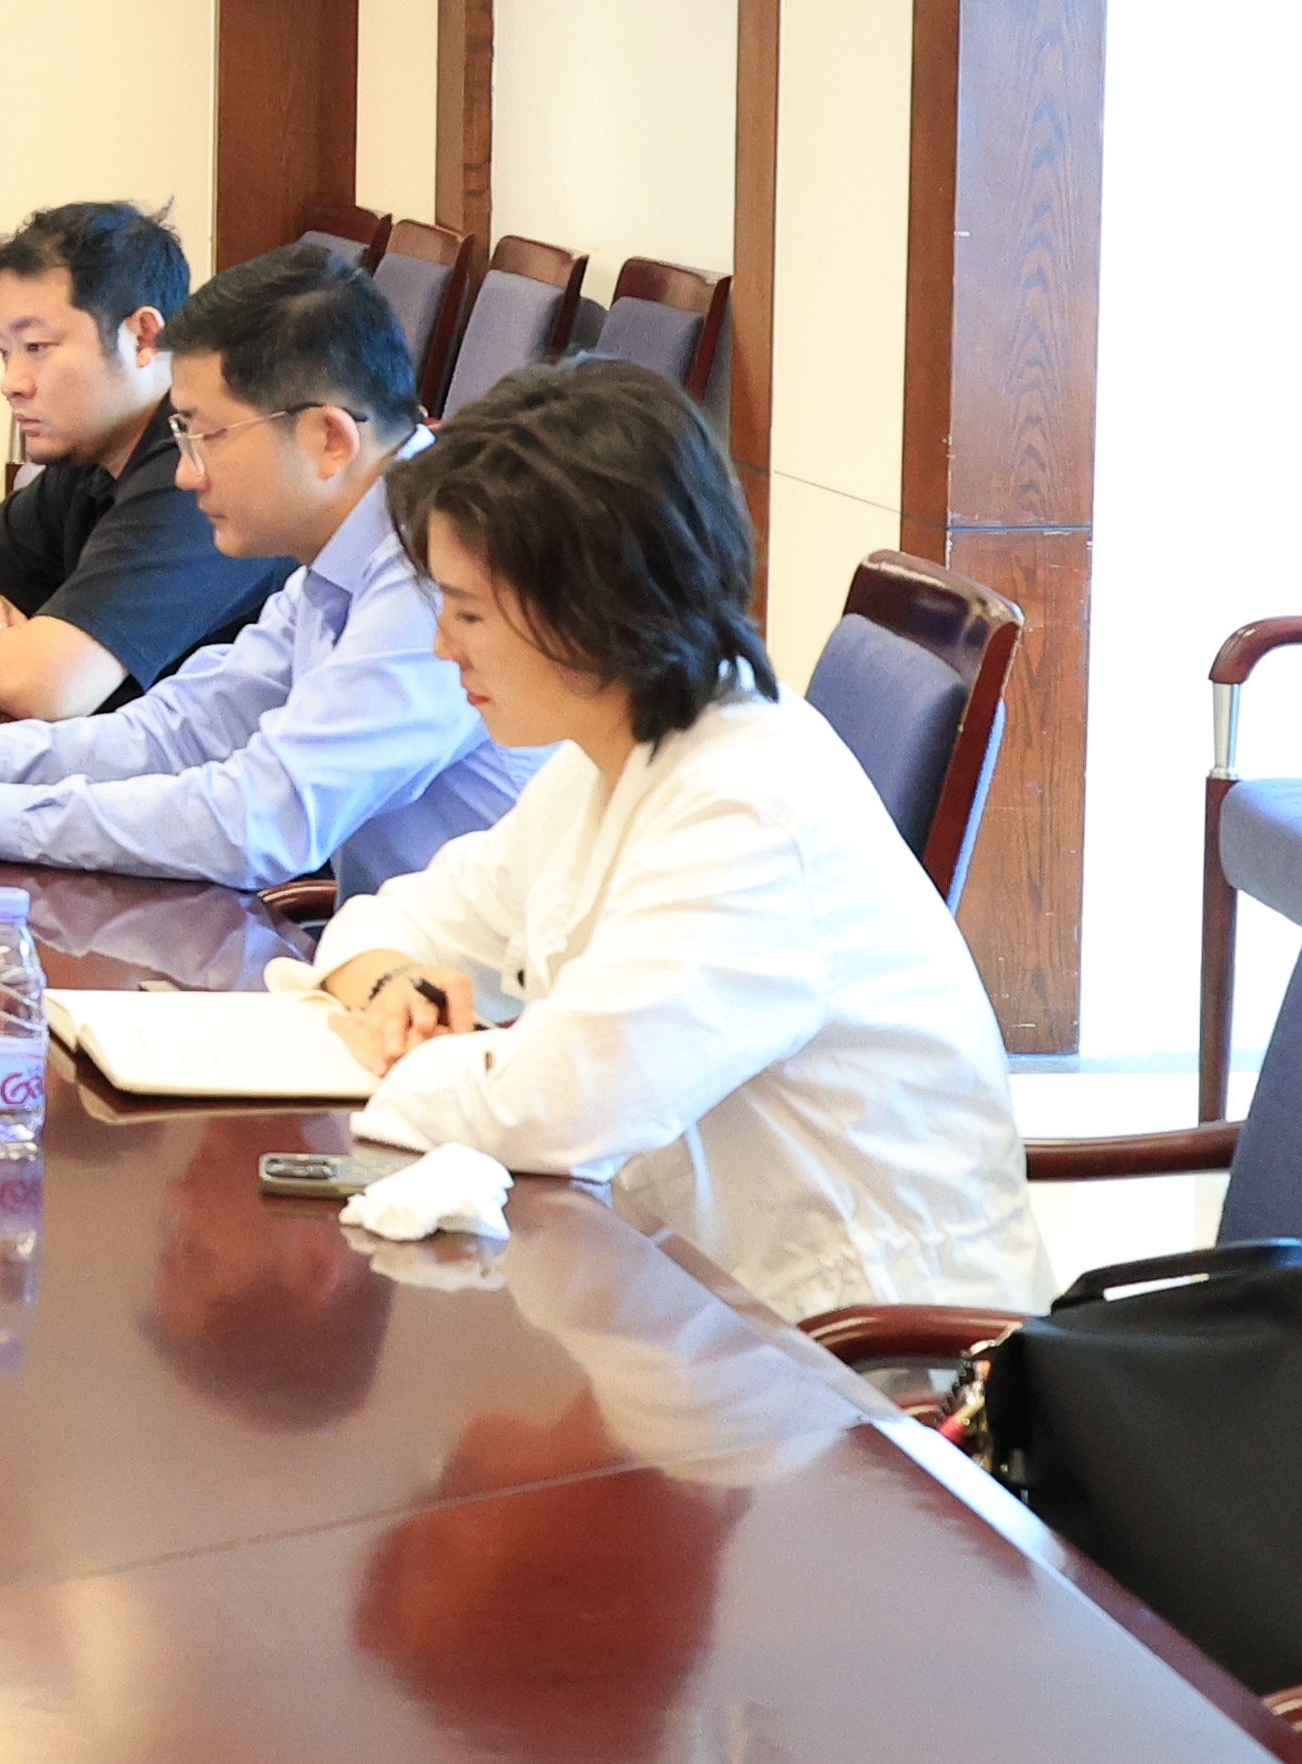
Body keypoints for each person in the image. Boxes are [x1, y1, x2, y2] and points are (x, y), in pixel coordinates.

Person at [301, 358, 1047, 1327]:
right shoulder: (606, 758)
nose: (444, 645)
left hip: (868, 1362)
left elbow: (556, 1108)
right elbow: (393, 918)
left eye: (470, 611)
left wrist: (414, 1060)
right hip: (692, 1302)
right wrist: (395, 990)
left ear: (592, 606)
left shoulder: (747, 808)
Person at [0, 244, 528, 892]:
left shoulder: (440, 574)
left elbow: (258, 821)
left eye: (205, 436)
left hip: (472, 997)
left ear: (329, 440)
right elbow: (174, 732)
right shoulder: (341, 555)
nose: (185, 474)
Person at [0, 201, 281, 719]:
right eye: (4, 351)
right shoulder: (91, 454)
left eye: (37, 346)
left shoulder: (197, 470)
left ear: (144, 336)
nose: (11, 383)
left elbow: (48, 686)